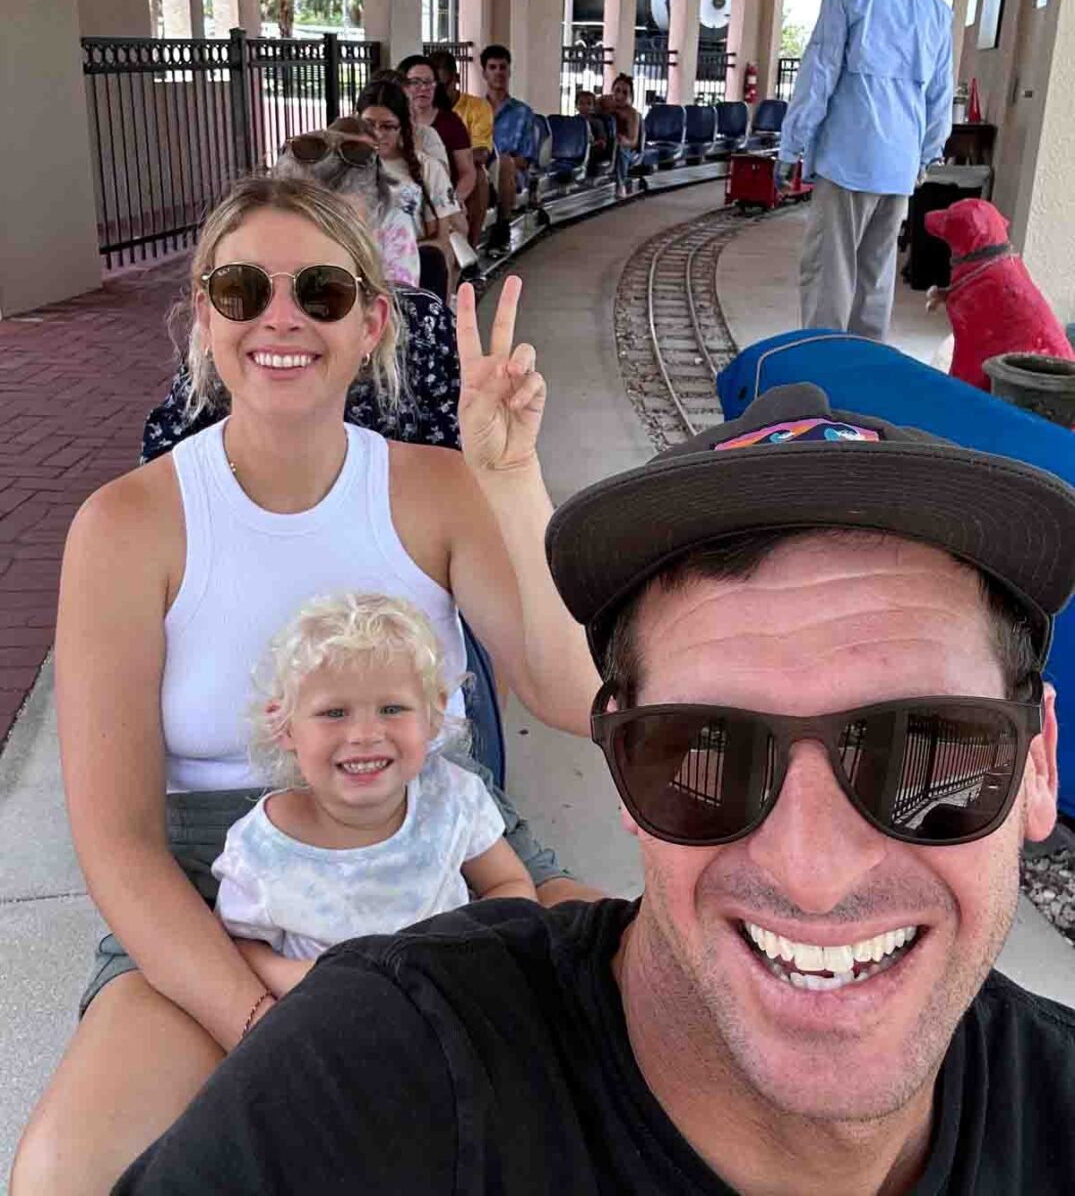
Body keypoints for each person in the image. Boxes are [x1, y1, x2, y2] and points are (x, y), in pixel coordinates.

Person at [113, 381, 1075, 1194]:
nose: (813, 870)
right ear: (624, 771)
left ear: (1035, 765)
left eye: (923, 751)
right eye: (705, 753)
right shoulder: (375, 1081)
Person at [11, 177, 600, 1195]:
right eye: (242, 288)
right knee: (65, 1171)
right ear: (204, 313)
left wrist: (509, 481)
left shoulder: (435, 485)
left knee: (666, 1031)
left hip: (448, 846)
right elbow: (116, 840)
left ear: (371, 319)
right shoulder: (126, 525)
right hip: (217, 890)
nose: (279, 317)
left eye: (320, 291)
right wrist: (271, 1025)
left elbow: (567, 689)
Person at [215, 591, 535, 991]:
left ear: (434, 714)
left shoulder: (451, 797)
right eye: (334, 713)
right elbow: (237, 945)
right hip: (332, 1020)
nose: (365, 735)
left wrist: (468, 956)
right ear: (285, 726)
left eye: (392, 709)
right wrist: (298, 980)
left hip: (450, 999)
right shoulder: (262, 848)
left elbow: (509, 884)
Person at [143, 118, 463, 455]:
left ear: (375, 232)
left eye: (341, 240)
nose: (281, 318)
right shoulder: (230, 315)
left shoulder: (424, 326)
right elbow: (164, 459)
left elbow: (455, 467)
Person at [776, 0, 954, 341]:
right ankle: (863, 372)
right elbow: (940, 95)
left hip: (847, 158)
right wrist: (924, 157)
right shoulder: (935, 8)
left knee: (829, 272)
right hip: (899, 165)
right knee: (876, 277)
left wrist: (791, 146)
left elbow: (818, 75)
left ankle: (821, 366)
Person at [356, 77, 462, 300]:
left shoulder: (428, 169)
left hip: (410, 274)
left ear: (402, 126)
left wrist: (395, 251)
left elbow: (442, 241)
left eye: (387, 126)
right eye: (369, 125)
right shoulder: (346, 167)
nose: (377, 134)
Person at [430, 48, 495, 250]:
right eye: (433, 85)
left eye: (444, 85)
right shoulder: (416, 112)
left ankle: (471, 247)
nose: (437, 91)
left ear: (456, 79)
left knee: (479, 175)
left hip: (460, 175)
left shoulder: (477, 107)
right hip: (430, 175)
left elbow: (481, 153)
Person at [397, 53, 477, 208]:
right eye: (415, 82)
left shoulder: (450, 122)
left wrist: (453, 201)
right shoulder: (393, 121)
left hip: (442, 199)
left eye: (429, 82)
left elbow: (467, 172)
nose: (424, 88)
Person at [481, 43, 536, 256]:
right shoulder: (475, 110)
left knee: (504, 162)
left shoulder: (523, 112)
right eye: (492, 67)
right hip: (480, 169)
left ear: (509, 71)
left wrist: (502, 161)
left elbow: (526, 159)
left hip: (511, 173)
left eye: (502, 67)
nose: (498, 73)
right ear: (484, 73)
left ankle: (502, 228)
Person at [600, 73, 641, 199]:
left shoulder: (632, 113)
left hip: (623, 147)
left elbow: (633, 141)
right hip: (606, 143)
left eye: (625, 92)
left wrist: (624, 141)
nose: (620, 95)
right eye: (617, 90)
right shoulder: (603, 102)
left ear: (630, 96)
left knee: (620, 148)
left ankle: (620, 183)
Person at [576, 88, 611, 175]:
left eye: (588, 104)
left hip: (592, 151)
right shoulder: (574, 121)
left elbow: (602, 142)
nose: (585, 106)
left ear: (593, 106)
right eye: (581, 103)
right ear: (576, 105)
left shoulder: (597, 123)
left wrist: (592, 144)